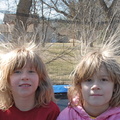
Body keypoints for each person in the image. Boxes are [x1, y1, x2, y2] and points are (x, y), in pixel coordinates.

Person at [57, 43, 120, 120]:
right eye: (88, 80)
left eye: (104, 79)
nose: (95, 86)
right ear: (80, 85)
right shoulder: (68, 116)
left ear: (115, 86)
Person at [0, 39, 60, 120]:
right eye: (17, 72)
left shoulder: (51, 111)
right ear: (6, 79)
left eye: (31, 71)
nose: (25, 77)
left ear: (40, 79)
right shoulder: (2, 112)